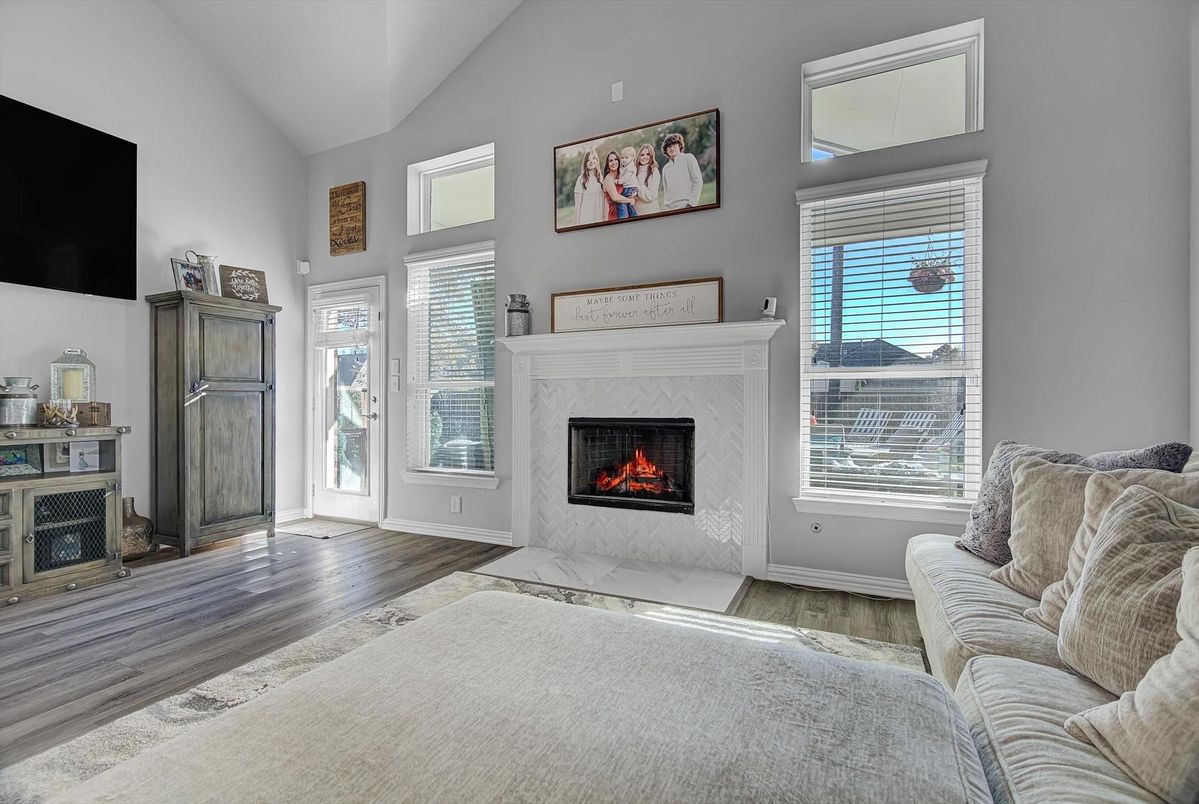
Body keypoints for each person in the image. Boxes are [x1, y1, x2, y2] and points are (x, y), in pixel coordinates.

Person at [660, 132, 703, 210]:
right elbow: (666, 191)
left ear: (679, 146)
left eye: (674, 145)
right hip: (670, 210)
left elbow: (698, 181)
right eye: (668, 147)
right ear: (666, 150)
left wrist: (691, 204)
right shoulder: (665, 168)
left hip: (686, 206)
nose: (671, 148)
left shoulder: (689, 158)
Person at [572, 149, 606, 226]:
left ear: (597, 160)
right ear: (585, 163)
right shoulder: (581, 179)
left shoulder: (601, 178)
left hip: (600, 219)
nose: (591, 161)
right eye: (588, 160)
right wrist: (576, 225)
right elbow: (577, 206)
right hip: (585, 221)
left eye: (594, 158)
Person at [601, 150, 636, 221]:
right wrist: (630, 200)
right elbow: (615, 197)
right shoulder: (608, 179)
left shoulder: (622, 175)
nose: (614, 162)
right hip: (616, 215)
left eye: (616, 159)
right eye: (611, 161)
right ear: (607, 164)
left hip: (627, 211)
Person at [633, 143, 660, 216]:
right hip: (636, 213)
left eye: (648, 154)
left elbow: (651, 196)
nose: (644, 157)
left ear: (651, 156)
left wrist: (638, 189)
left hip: (651, 211)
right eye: (642, 155)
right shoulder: (633, 171)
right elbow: (631, 195)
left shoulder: (654, 171)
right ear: (638, 156)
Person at [615, 146, 639, 219]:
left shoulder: (630, 167)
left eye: (626, 157)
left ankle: (623, 218)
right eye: (622, 158)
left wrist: (619, 181)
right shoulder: (625, 166)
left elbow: (626, 177)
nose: (624, 159)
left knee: (621, 200)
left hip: (630, 188)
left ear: (632, 158)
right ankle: (634, 216)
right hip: (631, 188)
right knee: (629, 204)